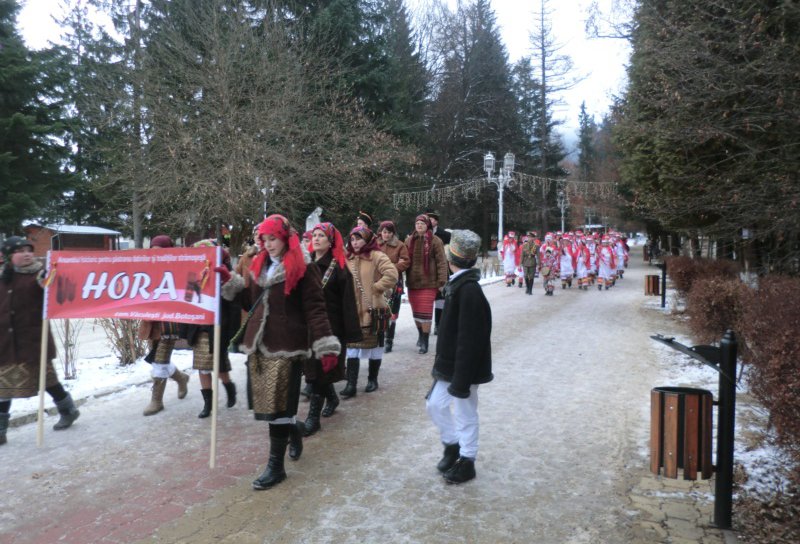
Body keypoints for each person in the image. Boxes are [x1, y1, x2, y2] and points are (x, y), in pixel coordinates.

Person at [222, 214, 340, 490]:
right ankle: (295, 430)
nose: (267, 243)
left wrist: (325, 344)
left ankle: (276, 467)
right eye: (264, 239)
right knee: (264, 404)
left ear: (286, 238)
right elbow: (250, 301)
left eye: (272, 238)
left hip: (288, 345)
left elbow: (315, 308)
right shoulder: (259, 263)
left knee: (279, 405)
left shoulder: (304, 267)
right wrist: (228, 282)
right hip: (260, 343)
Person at [426, 229, 492, 485]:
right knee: (434, 404)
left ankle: (468, 459)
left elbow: (471, 340)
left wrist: (462, 382)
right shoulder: (457, 285)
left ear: (451, 259)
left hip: (465, 367)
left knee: (465, 410)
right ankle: (452, 444)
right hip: (449, 363)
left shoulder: (469, 291)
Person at [0, 237, 80, 445]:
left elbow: (56, 289)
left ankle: (68, 410)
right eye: (20, 251)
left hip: (33, 341)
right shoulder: (3, 277)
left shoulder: (41, 275)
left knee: (47, 380)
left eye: (28, 250)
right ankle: (0, 430)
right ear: (9, 256)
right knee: (3, 386)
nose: (26, 254)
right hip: (6, 342)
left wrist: (50, 280)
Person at [302, 222, 362, 436]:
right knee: (312, 371)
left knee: (319, 373)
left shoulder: (340, 268)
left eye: (321, 236)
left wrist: (350, 333)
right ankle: (333, 398)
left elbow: (348, 303)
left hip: (331, 328)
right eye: (314, 235)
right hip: (308, 327)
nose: (316, 239)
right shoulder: (305, 264)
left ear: (331, 241)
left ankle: (313, 418)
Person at [180, 240, 239, 419]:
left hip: (218, 330)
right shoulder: (194, 277)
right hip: (199, 330)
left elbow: (233, 306)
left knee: (220, 368)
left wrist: (231, 331)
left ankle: (229, 387)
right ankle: (208, 404)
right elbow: (187, 303)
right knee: (202, 368)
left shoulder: (225, 276)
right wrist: (184, 329)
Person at [341, 226, 398, 397]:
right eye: (352, 239)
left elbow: (392, 274)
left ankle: (373, 379)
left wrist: (376, 288)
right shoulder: (346, 258)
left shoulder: (376, 255)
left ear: (367, 239)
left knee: (375, 346)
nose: (355, 242)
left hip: (374, 310)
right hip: (352, 311)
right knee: (352, 347)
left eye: (358, 238)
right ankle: (351, 384)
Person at [138, 235, 191, 416]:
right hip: (151, 323)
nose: (155, 255)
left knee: (160, 362)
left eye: (159, 252)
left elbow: (186, 293)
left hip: (169, 323)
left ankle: (156, 401)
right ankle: (181, 378)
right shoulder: (146, 270)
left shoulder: (178, 269)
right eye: (152, 251)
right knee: (156, 359)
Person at [404, 214, 448, 354]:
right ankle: (420, 335)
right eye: (417, 223)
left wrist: (442, 281)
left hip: (430, 283)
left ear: (427, 225)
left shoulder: (435, 241)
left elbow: (442, 262)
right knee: (416, 314)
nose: (419, 226)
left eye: (422, 223)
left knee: (426, 314)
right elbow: (404, 260)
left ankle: (425, 342)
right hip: (413, 283)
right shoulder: (409, 240)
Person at [376, 221, 410, 353]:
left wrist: (390, 268)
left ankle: (389, 340)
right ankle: (379, 339)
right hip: (378, 282)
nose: (386, 235)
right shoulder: (375, 245)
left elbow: (405, 261)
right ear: (380, 232)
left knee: (392, 312)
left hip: (394, 282)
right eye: (384, 232)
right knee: (378, 311)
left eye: (389, 232)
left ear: (393, 233)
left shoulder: (400, 245)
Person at [426, 212, 450, 335]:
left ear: (436, 221)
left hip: (441, 268)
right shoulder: (422, 234)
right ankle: (426, 326)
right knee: (427, 299)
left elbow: (450, 250)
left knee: (440, 299)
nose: (429, 221)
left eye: (431, 219)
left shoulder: (445, 234)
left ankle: (438, 324)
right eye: (427, 219)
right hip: (427, 270)